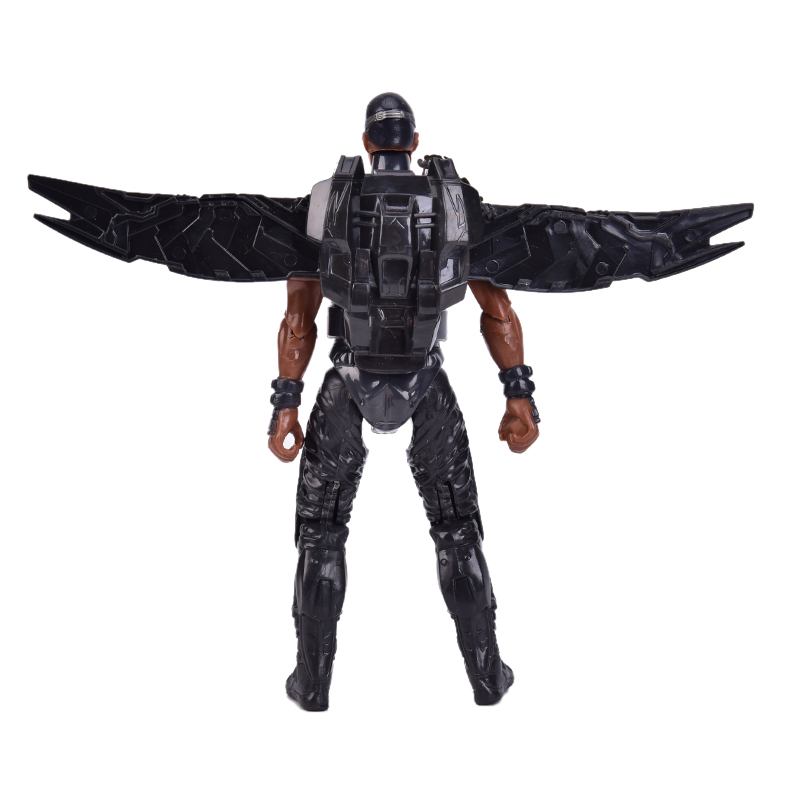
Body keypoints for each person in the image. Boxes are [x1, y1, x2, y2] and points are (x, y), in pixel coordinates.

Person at [268, 92, 539, 711]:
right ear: (414, 143)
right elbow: (497, 307)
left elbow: (297, 317)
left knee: (320, 534)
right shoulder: (452, 203)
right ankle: (487, 677)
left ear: (366, 143)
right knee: (457, 530)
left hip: (347, 378)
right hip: (425, 380)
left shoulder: (326, 201)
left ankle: (312, 684)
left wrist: (286, 403)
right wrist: (519, 394)